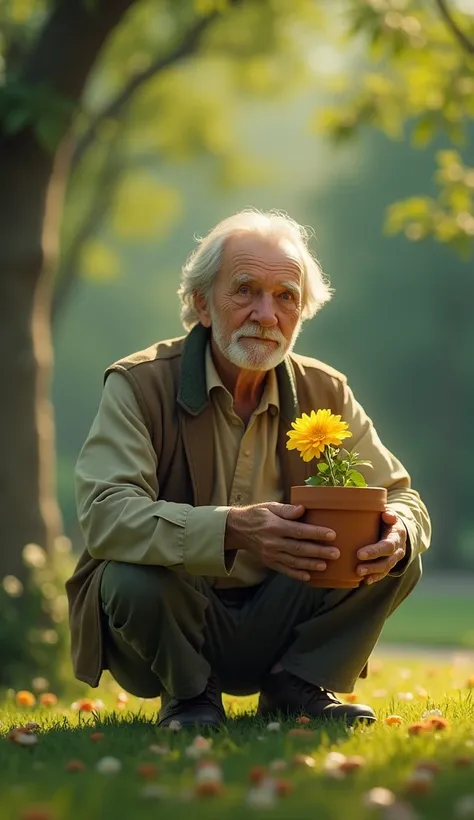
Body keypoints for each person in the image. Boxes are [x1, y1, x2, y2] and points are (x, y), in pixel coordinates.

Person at [66, 209, 431, 730]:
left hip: (286, 614)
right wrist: (233, 528)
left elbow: (404, 499)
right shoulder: (138, 383)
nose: (267, 313)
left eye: (286, 296)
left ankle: (297, 685)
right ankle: (190, 695)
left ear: (301, 313)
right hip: (180, 612)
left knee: (399, 552)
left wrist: (398, 533)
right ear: (202, 304)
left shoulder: (326, 389)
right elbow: (104, 515)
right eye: (245, 290)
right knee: (127, 577)